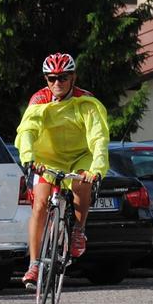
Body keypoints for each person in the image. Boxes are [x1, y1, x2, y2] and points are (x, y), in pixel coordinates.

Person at [15, 53, 109, 289]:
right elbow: (27, 130)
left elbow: (98, 138)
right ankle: (34, 264)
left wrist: (96, 169)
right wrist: (28, 157)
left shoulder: (86, 102)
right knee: (40, 204)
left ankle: (78, 230)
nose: (57, 83)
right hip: (48, 159)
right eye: (51, 78)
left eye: (63, 78)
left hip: (81, 156)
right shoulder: (39, 100)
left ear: (73, 78)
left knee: (81, 184)